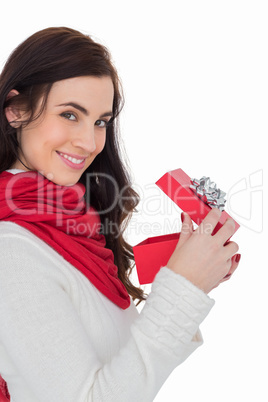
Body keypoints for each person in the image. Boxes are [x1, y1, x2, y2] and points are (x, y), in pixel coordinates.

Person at [0, 27, 240, 402]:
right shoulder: (12, 250)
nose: (90, 142)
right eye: (69, 114)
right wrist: (183, 288)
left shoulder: (74, 226)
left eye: (100, 121)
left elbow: (125, 374)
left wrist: (187, 275)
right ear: (16, 110)